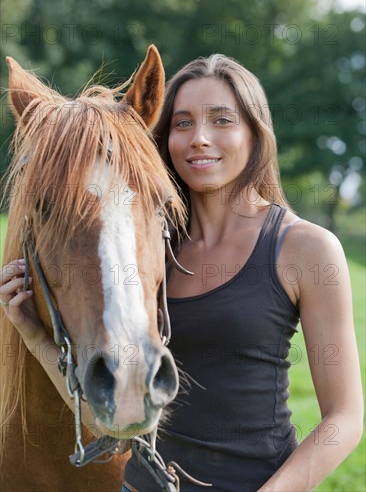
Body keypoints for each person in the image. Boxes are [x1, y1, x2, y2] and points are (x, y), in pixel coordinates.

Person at [0, 54, 363, 492]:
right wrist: (36, 338)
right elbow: (111, 415)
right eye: (183, 123)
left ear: (255, 132)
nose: (200, 139)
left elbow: (345, 419)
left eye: (222, 120)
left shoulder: (306, 248)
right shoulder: (146, 248)